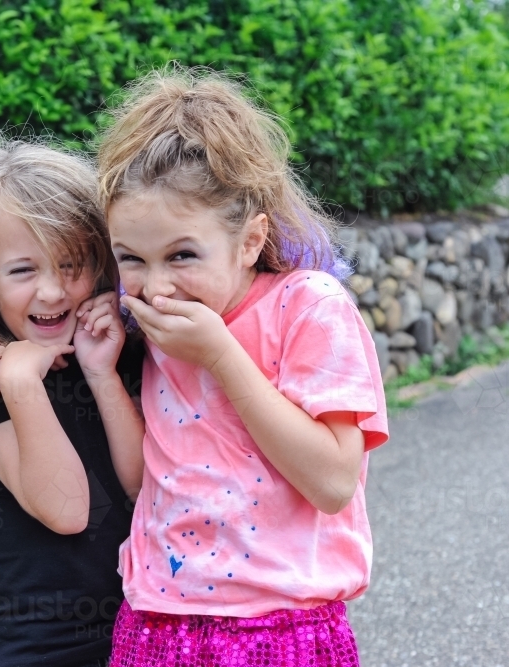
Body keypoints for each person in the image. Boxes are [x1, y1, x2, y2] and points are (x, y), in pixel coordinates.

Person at [96, 67, 389, 666]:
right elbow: (142, 481)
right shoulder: (155, 322)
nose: (156, 287)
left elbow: (333, 482)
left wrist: (222, 356)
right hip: (157, 620)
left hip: (283, 627)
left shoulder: (308, 307)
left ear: (251, 241)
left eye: (182, 255)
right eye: (131, 258)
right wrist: (102, 375)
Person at [0, 141, 146, 667]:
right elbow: (68, 511)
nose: (52, 292)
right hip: (35, 647)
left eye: (70, 264)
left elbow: (143, 484)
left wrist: (101, 374)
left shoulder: (115, 344)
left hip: (137, 629)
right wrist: (21, 380)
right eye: (23, 271)